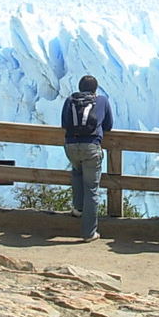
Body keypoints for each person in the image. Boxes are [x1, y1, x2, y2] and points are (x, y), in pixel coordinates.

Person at [60, 75, 113, 242]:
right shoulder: (102, 101)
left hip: (71, 146)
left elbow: (64, 124)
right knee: (91, 188)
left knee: (77, 172)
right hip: (91, 147)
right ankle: (89, 233)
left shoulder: (70, 100)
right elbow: (109, 125)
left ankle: (78, 208)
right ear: (95, 89)